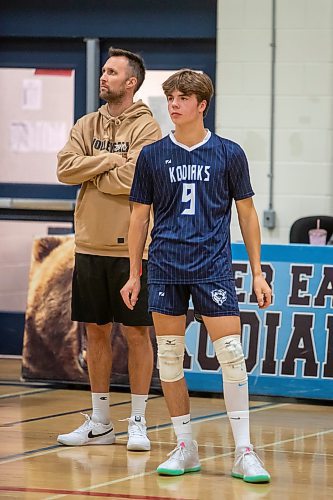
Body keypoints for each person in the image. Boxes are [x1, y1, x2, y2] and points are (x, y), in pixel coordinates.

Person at [121, 69, 272, 482]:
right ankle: (184, 445)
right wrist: (135, 273)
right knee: (169, 357)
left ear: (202, 105)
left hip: (213, 268)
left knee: (232, 358)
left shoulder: (229, 153)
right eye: (170, 96)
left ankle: (245, 451)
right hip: (166, 268)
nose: (173, 104)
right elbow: (138, 218)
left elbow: (246, 213)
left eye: (183, 98)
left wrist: (258, 273)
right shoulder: (152, 156)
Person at [56, 47, 161, 450]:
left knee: (137, 333)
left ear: (130, 82)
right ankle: (100, 421)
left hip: (132, 251)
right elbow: (65, 169)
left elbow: (135, 178)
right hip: (88, 244)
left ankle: (137, 419)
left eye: (111, 72)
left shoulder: (147, 128)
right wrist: (106, 163)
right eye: (103, 70)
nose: (103, 76)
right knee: (94, 333)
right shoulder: (86, 123)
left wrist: (91, 165)